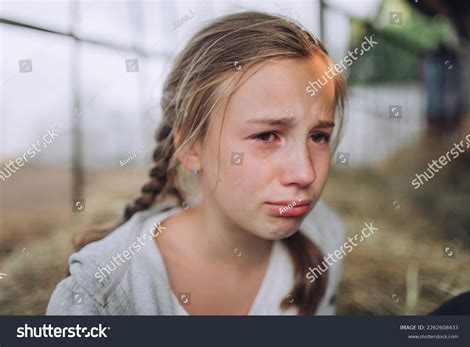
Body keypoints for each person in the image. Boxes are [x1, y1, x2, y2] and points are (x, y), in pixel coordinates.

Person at [46, 11, 347, 315]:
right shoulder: (101, 298)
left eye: (319, 137)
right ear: (190, 146)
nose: (305, 173)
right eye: (267, 135)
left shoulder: (325, 236)